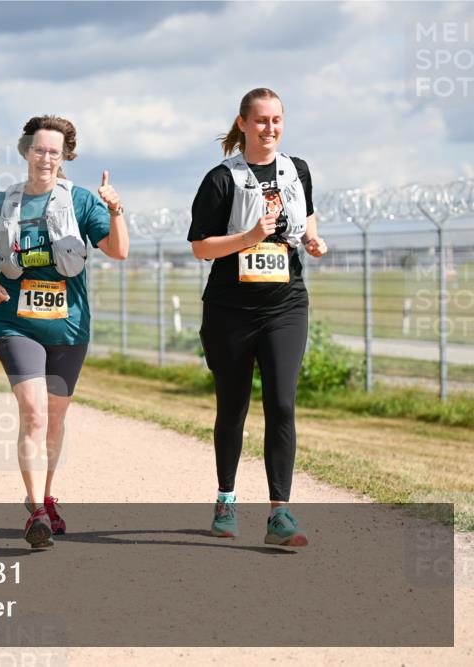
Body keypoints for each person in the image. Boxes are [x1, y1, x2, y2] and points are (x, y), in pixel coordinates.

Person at [0, 115, 129, 549]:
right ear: (26, 151)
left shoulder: (81, 201)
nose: (46, 158)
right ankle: (38, 514)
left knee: (55, 420)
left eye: (54, 152)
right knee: (35, 414)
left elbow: (118, 251)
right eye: (39, 149)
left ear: (65, 157)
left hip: (69, 327)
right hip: (15, 324)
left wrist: (115, 210)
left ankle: (42, 496)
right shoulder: (4, 203)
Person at [187, 88, 328, 547]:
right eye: (261, 120)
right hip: (231, 310)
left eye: (277, 120)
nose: (270, 128)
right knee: (233, 408)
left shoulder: (296, 170)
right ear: (243, 124)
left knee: (283, 404)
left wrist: (312, 241)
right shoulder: (220, 179)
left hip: (286, 305)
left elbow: (307, 219)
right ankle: (226, 498)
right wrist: (248, 236)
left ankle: (279, 513)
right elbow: (201, 247)